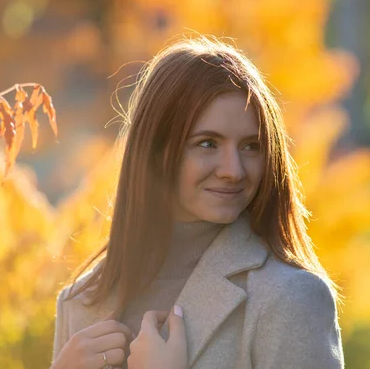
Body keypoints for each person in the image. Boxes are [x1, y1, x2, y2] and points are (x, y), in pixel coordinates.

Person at [50, 36, 345, 369]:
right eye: (208, 144)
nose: (233, 171)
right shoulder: (80, 301)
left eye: (251, 146)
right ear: (156, 151)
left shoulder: (290, 298)